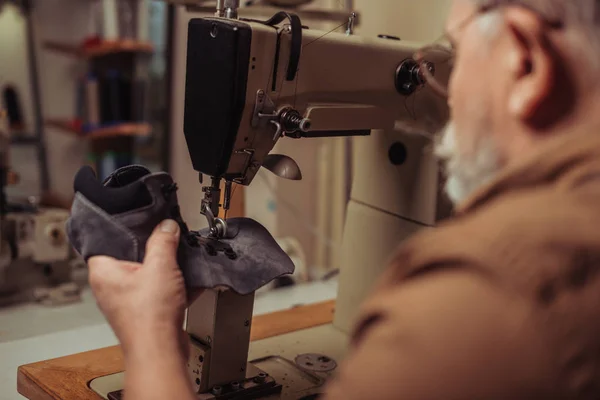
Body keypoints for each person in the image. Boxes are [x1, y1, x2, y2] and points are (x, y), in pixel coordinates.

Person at [88, 0, 600, 398]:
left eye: (458, 57)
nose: (448, 85)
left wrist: (149, 336)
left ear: (524, 62)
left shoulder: (486, 298)